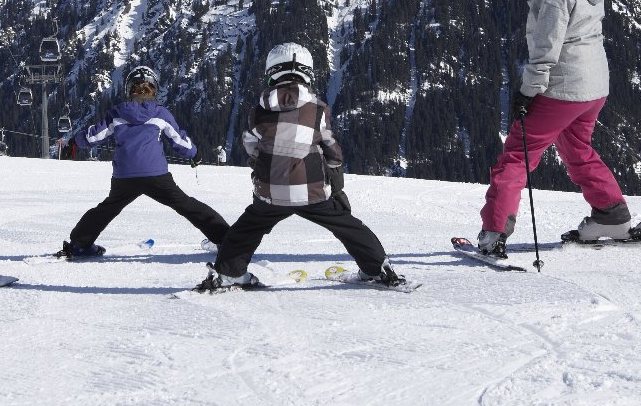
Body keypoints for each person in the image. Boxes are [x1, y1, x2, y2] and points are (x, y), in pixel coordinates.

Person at [477, 0, 631, 256]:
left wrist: (528, 92)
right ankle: (611, 215)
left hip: (561, 88)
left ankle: (494, 232)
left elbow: (545, 54)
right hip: (594, 87)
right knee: (578, 150)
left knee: (517, 156)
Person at [196, 43, 405, 290]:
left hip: (270, 190)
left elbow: (250, 143)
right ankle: (377, 269)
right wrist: (336, 178)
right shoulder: (318, 109)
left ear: (271, 71)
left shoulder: (259, 110)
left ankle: (229, 273)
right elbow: (331, 147)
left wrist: (262, 164)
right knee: (346, 225)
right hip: (312, 188)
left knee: (248, 228)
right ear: (308, 72)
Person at [58, 65, 230, 258]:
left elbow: (94, 136)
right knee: (185, 204)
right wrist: (195, 154)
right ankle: (225, 238)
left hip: (124, 177)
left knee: (107, 209)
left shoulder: (117, 114)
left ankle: (79, 244)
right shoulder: (160, 114)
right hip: (156, 175)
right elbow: (178, 140)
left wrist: (74, 144)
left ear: (128, 89)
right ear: (154, 89)